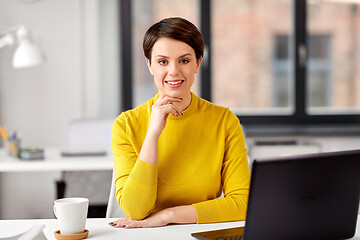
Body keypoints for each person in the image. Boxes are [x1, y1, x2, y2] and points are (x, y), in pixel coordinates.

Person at [109, 17, 250, 229]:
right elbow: (135, 210)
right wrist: (153, 133)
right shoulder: (126, 125)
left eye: (184, 60)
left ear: (198, 63)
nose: (173, 71)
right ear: (149, 65)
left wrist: (167, 216)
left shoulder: (224, 121)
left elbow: (242, 204)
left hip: (203, 231)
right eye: (162, 61)